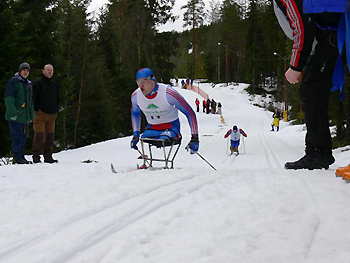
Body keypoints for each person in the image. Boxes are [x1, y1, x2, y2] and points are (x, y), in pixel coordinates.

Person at [273, 0, 342, 170]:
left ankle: (318, 152)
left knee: (312, 90)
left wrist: (295, 66)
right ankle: (320, 151)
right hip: (330, 36)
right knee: (311, 89)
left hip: (333, 35)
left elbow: (302, 26)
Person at [130, 68, 199, 155]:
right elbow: (135, 113)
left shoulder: (168, 93)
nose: (141, 85)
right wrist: (135, 134)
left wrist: (194, 138)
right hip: (152, 128)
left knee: (164, 138)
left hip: (170, 128)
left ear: (152, 80)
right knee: (144, 137)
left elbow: (189, 112)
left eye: (144, 81)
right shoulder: (136, 96)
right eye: (139, 82)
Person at [4, 62, 34, 164]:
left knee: (23, 137)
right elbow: (9, 98)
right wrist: (13, 113)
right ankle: (17, 157)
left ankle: (21, 156)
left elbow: (30, 102)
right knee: (17, 137)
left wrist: (31, 115)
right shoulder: (14, 81)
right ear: (20, 71)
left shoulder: (28, 84)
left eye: (27, 71)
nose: (25, 72)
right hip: (16, 115)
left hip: (24, 117)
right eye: (24, 70)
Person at [32, 64, 59, 164]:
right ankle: (36, 156)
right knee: (39, 135)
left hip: (52, 114)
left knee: (50, 136)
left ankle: (48, 156)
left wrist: (56, 109)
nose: (49, 72)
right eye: (47, 70)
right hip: (40, 114)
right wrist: (37, 109)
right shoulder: (38, 83)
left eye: (51, 70)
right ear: (43, 71)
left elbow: (57, 98)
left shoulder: (54, 84)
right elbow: (34, 98)